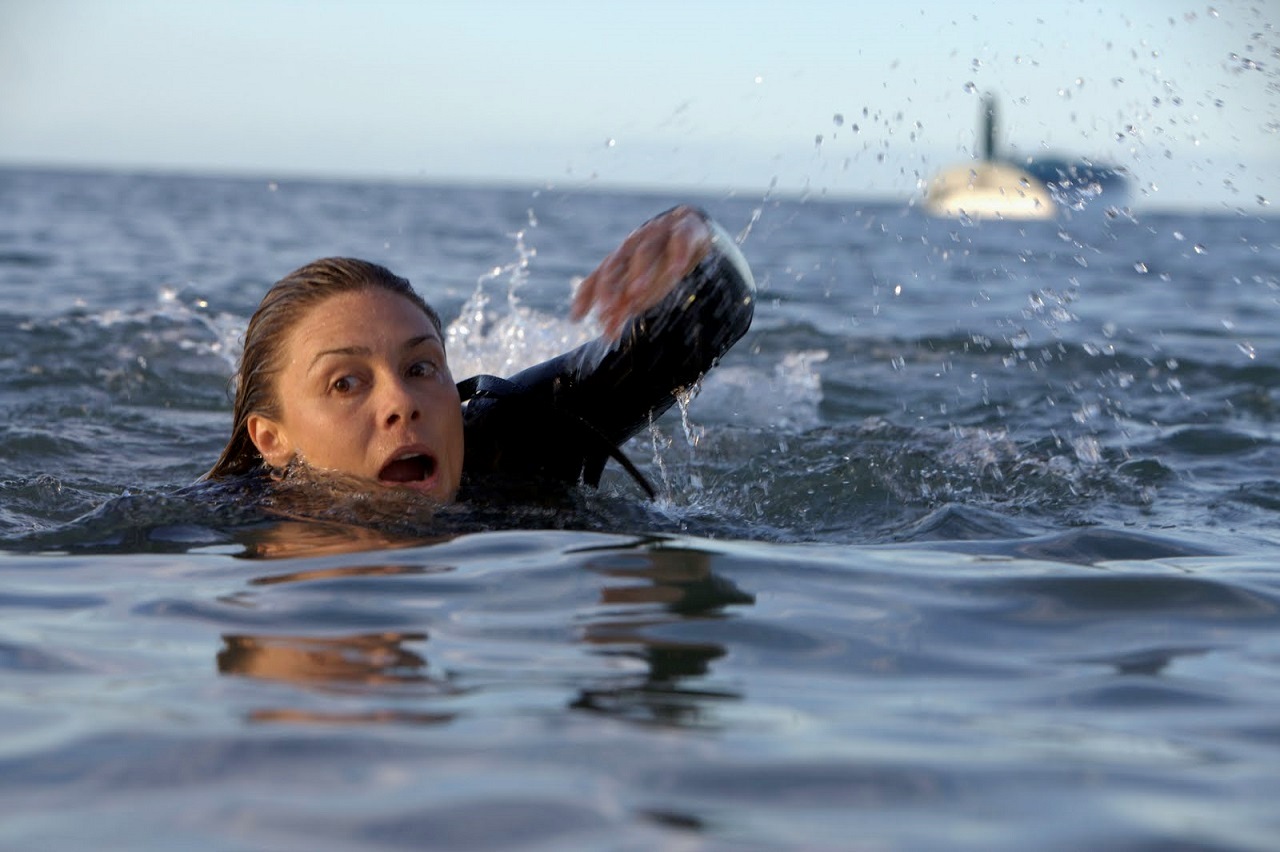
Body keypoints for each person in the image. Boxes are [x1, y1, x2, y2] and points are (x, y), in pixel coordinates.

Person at [205, 205, 755, 503]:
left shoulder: (508, 448)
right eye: (346, 383)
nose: (402, 402)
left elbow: (711, 318)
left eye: (421, 368)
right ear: (271, 439)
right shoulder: (216, 525)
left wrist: (693, 238)